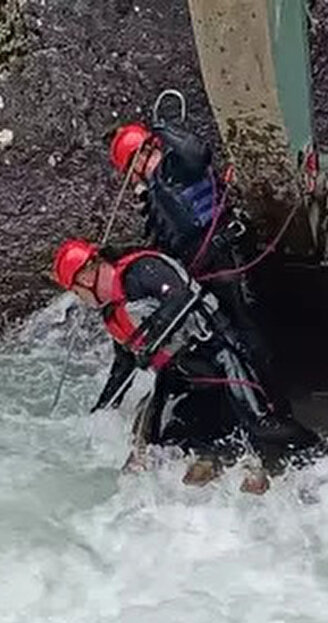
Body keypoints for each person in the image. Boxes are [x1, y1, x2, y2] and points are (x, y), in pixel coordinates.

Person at [51, 237, 321, 494]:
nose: (80, 299)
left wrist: (153, 340)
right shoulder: (112, 314)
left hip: (220, 353)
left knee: (262, 425)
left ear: (86, 278)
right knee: (158, 446)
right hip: (184, 374)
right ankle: (208, 471)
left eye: (75, 291)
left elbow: (180, 299)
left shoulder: (142, 270)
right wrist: (99, 413)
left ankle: (322, 455)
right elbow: (123, 368)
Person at [108, 120, 288, 412]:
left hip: (228, 258)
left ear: (138, 159)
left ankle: (275, 401)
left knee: (249, 331)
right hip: (206, 272)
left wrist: (161, 128)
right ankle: (256, 399)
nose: (132, 180)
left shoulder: (175, 167)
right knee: (236, 337)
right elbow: (166, 244)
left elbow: (198, 152)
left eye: (130, 170)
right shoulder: (155, 194)